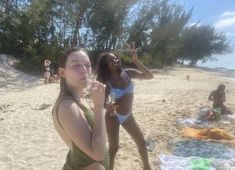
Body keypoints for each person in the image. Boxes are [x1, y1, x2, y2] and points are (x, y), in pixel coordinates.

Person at [96, 42, 153, 170]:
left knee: (142, 143)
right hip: (113, 117)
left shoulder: (128, 73)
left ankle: (147, 167)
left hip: (128, 116)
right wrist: (107, 106)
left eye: (115, 58)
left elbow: (150, 76)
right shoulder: (105, 81)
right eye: (110, 61)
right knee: (113, 149)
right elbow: (101, 102)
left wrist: (135, 60)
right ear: (106, 66)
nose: (114, 61)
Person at [52, 47, 109, 170]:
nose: (84, 70)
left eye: (87, 65)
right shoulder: (67, 106)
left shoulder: (80, 100)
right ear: (62, 73)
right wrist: (99, 107)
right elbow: (98, 154)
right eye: (76, 65)